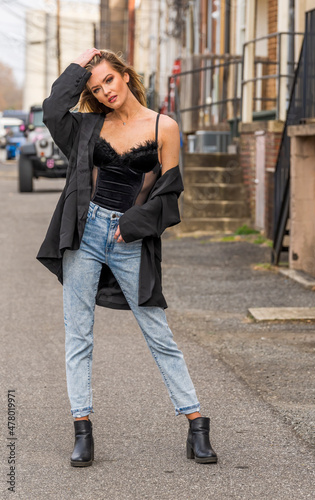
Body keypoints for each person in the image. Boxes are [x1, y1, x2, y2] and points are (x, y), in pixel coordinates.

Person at [36, 48, 217, 467]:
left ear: (125, 75)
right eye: (95, 87)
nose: (104, 92)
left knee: (158, 334)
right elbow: (51, 110)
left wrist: (134, 223)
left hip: (128, 237)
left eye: (109, 81)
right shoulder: (86, 127)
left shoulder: (163, 126)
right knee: (78, 334)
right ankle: (82, 431)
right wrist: (79, 69)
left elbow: (169, 193)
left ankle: (197, 426)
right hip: (84, 233)